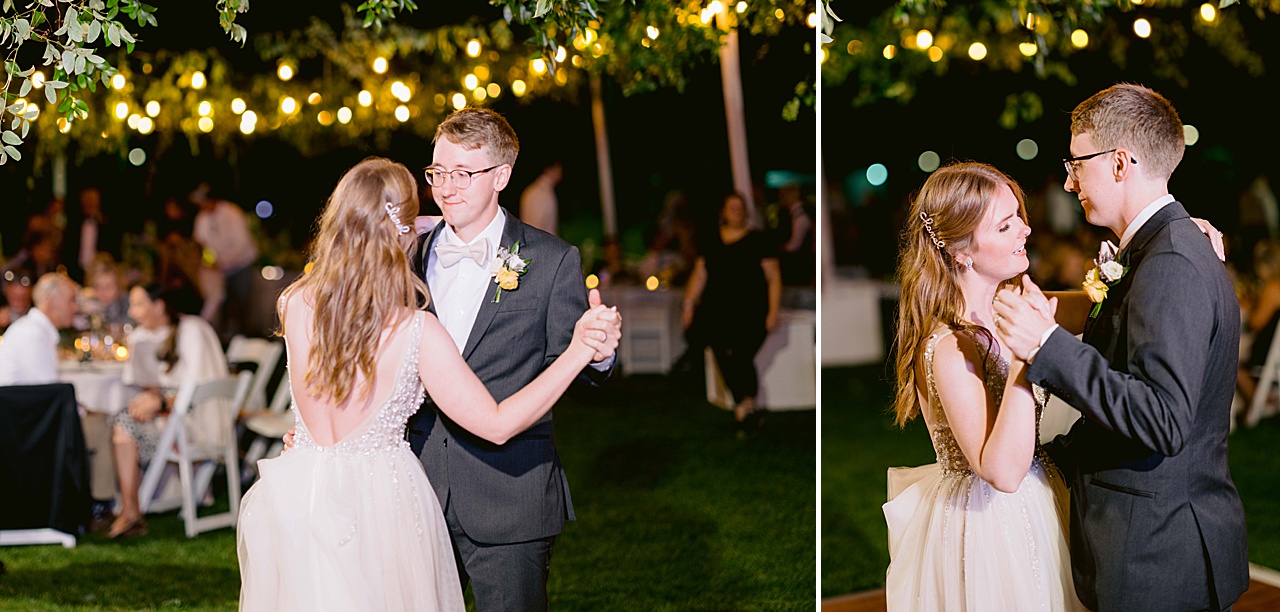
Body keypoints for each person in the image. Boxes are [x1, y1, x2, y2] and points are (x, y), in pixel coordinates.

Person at [237, 157, 618, 611]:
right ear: (401, 227)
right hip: (384, 501)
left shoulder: (297, 302)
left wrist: (408, 219)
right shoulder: (414, 331)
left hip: (304, 492)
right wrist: (579, 350)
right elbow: (496, 424)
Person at [993, 84, 1249, 611]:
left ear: (1119, 162)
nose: (1068, 181)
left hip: (1158, 556)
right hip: (1154, 543)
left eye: (1076, 163)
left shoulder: (1171, 263)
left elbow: (1163, 420)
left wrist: (1048, 347)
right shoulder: (1160, 249)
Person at [406, 108, 620, 611]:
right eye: (438, 172)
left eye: (464, 173)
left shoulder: (551, 260)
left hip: (509, 496)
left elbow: (577, 370)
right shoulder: (407, 257)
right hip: (415, 490)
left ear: (501, 176)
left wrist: (599, 354)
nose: (446, 187)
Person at [882, 162, 1083, 611]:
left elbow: (1100, 306)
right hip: (990, 527)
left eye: (1020, 217)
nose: (1026, 230)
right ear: (961, 251)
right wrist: (1022, 356)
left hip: (1040, 501)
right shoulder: (952, 347)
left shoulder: (1005, 307)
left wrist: (1177, 241)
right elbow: (1002, 472)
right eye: (1006, 224)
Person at [108, 283, 228, 539]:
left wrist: (162, 403)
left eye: (138, 303)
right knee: (125, 417)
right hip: (173, 419)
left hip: (196, 424)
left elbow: (198, 387)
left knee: (122, 423)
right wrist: (153, 398)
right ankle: (131, 509)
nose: (133, 311)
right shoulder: (143, 337)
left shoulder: (192, 330)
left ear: (158, 305)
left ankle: (130, 511)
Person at [682, 193, 782, 424]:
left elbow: (774, 277)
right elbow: (700, 275)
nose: (737, 212)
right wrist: (687, 304)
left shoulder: (759, 240)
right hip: (716, 311)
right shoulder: (711, 240)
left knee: (742, 356)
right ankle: (745, 406)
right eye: (732, 208)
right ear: (723, 213)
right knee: (721, 354)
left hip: (751, 310)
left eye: (741, 208)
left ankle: (748, 404)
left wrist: (773, 310)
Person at [190, 182, 258, 340]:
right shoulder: (202, 219)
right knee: (220, 304)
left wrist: (222, 261)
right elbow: (200, 244)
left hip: (241, 265)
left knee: (242, 303)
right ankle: (224, 339)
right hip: (219, 270)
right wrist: (209, 262)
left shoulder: (232, 213)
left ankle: (246, 339)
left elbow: (242, 243)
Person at [0, 273, 78, 386]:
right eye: (71, 300)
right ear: (50, 301)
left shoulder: (34, 330)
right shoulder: (31, 333)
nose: (76, 308)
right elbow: (48, 392)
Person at [519, 161, 562, 236]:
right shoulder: (542, 193)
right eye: (558, 170)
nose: (560, 175)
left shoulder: (531, 190)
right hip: (542, 244)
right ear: (549, 169)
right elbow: (536, 227)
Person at [0, 267, 35, 331]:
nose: (18, 302)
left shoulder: (37, 315)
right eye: (13, 297)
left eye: (23, 297)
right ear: (6, 292)